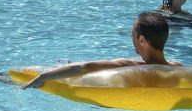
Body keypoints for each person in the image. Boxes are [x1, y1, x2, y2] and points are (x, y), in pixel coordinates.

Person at [17, 10, 176, 90]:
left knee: (10, 78)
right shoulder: (178, 69)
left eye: (132, 34)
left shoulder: (130, 66)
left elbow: (84, 67)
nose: (131, 38)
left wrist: (43, 77)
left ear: (142, 40)